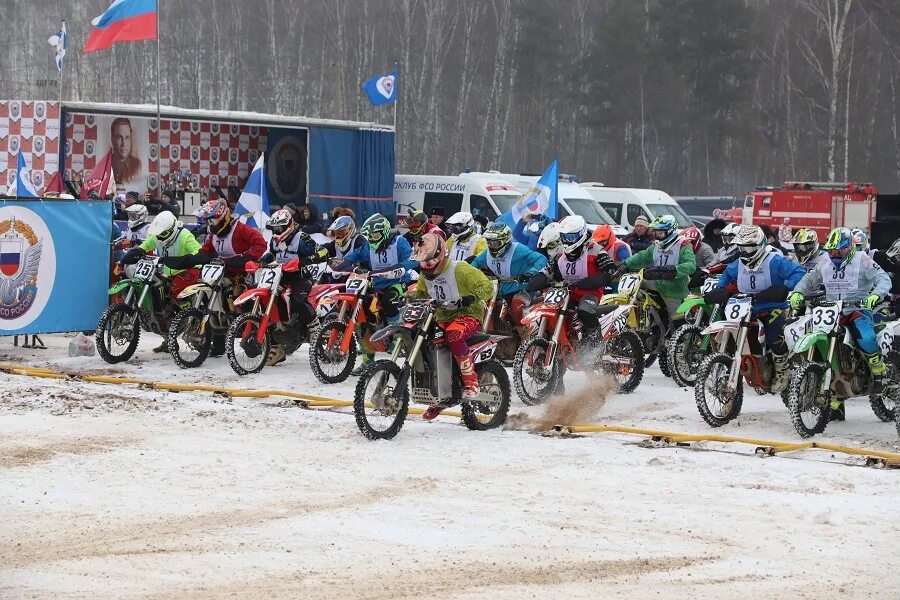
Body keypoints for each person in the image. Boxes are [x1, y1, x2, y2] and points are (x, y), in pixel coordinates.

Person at [789, 228, 892, 418]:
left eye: (839, 251)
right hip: (831, 310)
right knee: (824, 346)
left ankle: (877, 365)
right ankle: (835, 394)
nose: (834, 255)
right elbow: (809, 279)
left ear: (849, 248)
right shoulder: (824, 261)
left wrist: (875, 296)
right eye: (831, 251)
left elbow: (883, 279)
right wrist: (797, 292)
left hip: (856, 308)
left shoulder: (863, 259)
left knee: (866, 336)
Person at [706, 225, 805, 391]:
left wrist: (785, 286)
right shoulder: (738, 263)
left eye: (750, 246)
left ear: (760, 245)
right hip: (745, 307)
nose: (745, 251)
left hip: (771, 307)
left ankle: (782, 370)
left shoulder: (774, 260)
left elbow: (799, 271)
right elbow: (726, 274)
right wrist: (721, 289)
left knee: (775, 335)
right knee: (729, 333)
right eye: (742, 247)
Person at [410, 233, 494, 418]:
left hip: (468, 313)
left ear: (440, 257)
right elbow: (421, 293)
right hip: (440, 315)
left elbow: (488, 287)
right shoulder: (425, 275)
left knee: (454, 334)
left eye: (429, 263)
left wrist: (470, 298)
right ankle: (439, 395)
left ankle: (471, 382)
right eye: (422, 263)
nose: (425, 267)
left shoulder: (460, 269)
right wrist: (408, 297)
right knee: (424, 340)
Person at [338, 213, 419, 374]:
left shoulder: (399, 242)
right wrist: (343, 262)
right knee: (364, 319)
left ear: (385, 231)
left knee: (389, 301)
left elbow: (413, 258)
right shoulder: (369, 246)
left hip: (398, 283)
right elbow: (355, 255)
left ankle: (397, 338)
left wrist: (401, 267)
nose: (372, 238)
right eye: (370, 235)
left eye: (375, 235)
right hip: (376, 285)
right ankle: (367, 361)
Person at [121, 211, 202, 352]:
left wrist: (186, 259)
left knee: (175, 290)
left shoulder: (184, 236)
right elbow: (145, 246)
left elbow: (199, 252)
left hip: (188, 270)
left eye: (162, 234)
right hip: (169, 272)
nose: (159, 237)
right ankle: (168, 337)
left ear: (171, 229)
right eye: (158, 234)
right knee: (157, 292)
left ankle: (188, 311)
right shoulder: (158, 236)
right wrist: (135, 253)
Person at [258, 208, 329, 365]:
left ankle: (315, 327)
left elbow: (323, 252)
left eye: (280, 227)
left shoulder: (301, 238)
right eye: (275, 228)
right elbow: (272, 254)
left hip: (301, 276)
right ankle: (276, 348)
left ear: (288, 225)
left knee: (297, 301)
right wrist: (261, 261)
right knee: (266, 301)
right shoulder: (274, 240)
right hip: (281, 275)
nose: (277, 230)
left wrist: (305, 261)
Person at [527, 216, 614, 337]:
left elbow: (611, 271)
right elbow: (547, 271)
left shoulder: (596, 250)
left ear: (581, 234)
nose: (567, 241)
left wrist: (599, 279)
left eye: (571, 237)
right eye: (564, 237)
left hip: (590, 293)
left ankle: (595, 344)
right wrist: (534, 282)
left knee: (585, 311)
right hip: (566, 293)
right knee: (540, 306)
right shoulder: (560, 255)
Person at [618, 215, 696, 325]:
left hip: (673, 288)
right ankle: (639, 322)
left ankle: (681, 339)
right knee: (635, 288)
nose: (657, 236)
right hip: (656, 283)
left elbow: (691, 265)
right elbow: (642, 256)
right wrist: (625, 263)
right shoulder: (656, 246)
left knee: (676, 320)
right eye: (655, 232)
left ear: (670, 231)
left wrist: (672, 270)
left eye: (660, 233)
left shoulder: (683, 245)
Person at [471, 223, 547, 326]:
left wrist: (530, 273)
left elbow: (541, 259)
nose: (492, 247)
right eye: (489, 243)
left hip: (520, 287)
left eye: (496, 244)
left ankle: (524, 337)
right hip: (499, 287)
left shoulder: (518, 250)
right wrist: (471, 275)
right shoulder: (487, 253)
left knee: (516, 309)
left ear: (506, 241)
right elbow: (476, 263)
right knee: (480, 303)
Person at [110, 117, 142, 185]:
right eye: (119, 138)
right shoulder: (107, 163)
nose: (123, 144)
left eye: (127, 138)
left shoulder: (136, 165)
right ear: (112, 139)